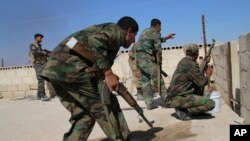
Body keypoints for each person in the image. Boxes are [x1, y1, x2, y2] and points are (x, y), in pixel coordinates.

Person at [41, 16, 139, 141]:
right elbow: (96, 40)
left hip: (55, 71)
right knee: (107, 103)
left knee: (84, 116)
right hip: (72, 69)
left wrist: (109, 75)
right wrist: (108, 73)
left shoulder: (108, 35)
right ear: (129, 31)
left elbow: (97, 61)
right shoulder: (116, 31)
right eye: (134, 35)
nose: (133, 40)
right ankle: (122, 138)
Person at [165, 43, 215, 121]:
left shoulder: (184, 61)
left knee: (198, 91)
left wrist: (204, 63)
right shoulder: (191, 64)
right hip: (177, 98)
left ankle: (189, 110)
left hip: (174, 96)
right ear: (197, 53)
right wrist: (208, 75)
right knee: (210, 104)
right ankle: (183, 110)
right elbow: (201, 82)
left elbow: (195, 75)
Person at [136, 18, 175, 110]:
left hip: (139, 60)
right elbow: (158, 50)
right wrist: (159, 64)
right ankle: (168, 102)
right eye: (160, 26)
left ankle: (149, 104)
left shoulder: (145, 32)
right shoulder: (155, 32)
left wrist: (166, 38)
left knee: (145, 82)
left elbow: (152, 41)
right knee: (158, 80)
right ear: (157, 25)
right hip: (147, 60)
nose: (161, 28)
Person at [29, 33, 51, 101]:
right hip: (37, 64)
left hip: (41, 64)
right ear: (36, 38)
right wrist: (44, 53)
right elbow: (35, 52)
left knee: (41, 79)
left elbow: (43, 52)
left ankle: (39, 95)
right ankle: (43, 95)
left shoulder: (39, 46)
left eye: (41, 38)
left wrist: (49, 53)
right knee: (41, 79)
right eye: (40, 38)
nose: (41, 39)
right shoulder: (32, 45)